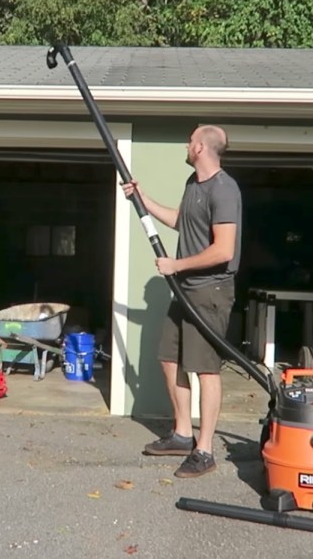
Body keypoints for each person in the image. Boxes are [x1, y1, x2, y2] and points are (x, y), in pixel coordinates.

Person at [121, 124, 241, 478]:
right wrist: (142, 201)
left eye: (191, 141)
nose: (187, 145)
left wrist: (175, 265)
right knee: (169, 359)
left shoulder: (225, 189)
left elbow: (223, 250)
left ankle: (204, 450)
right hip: (184, 288)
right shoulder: (194, 185)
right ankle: (182, 434)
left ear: (201, 147)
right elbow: (181, 221)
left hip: (210, 289)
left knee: (206, 369)